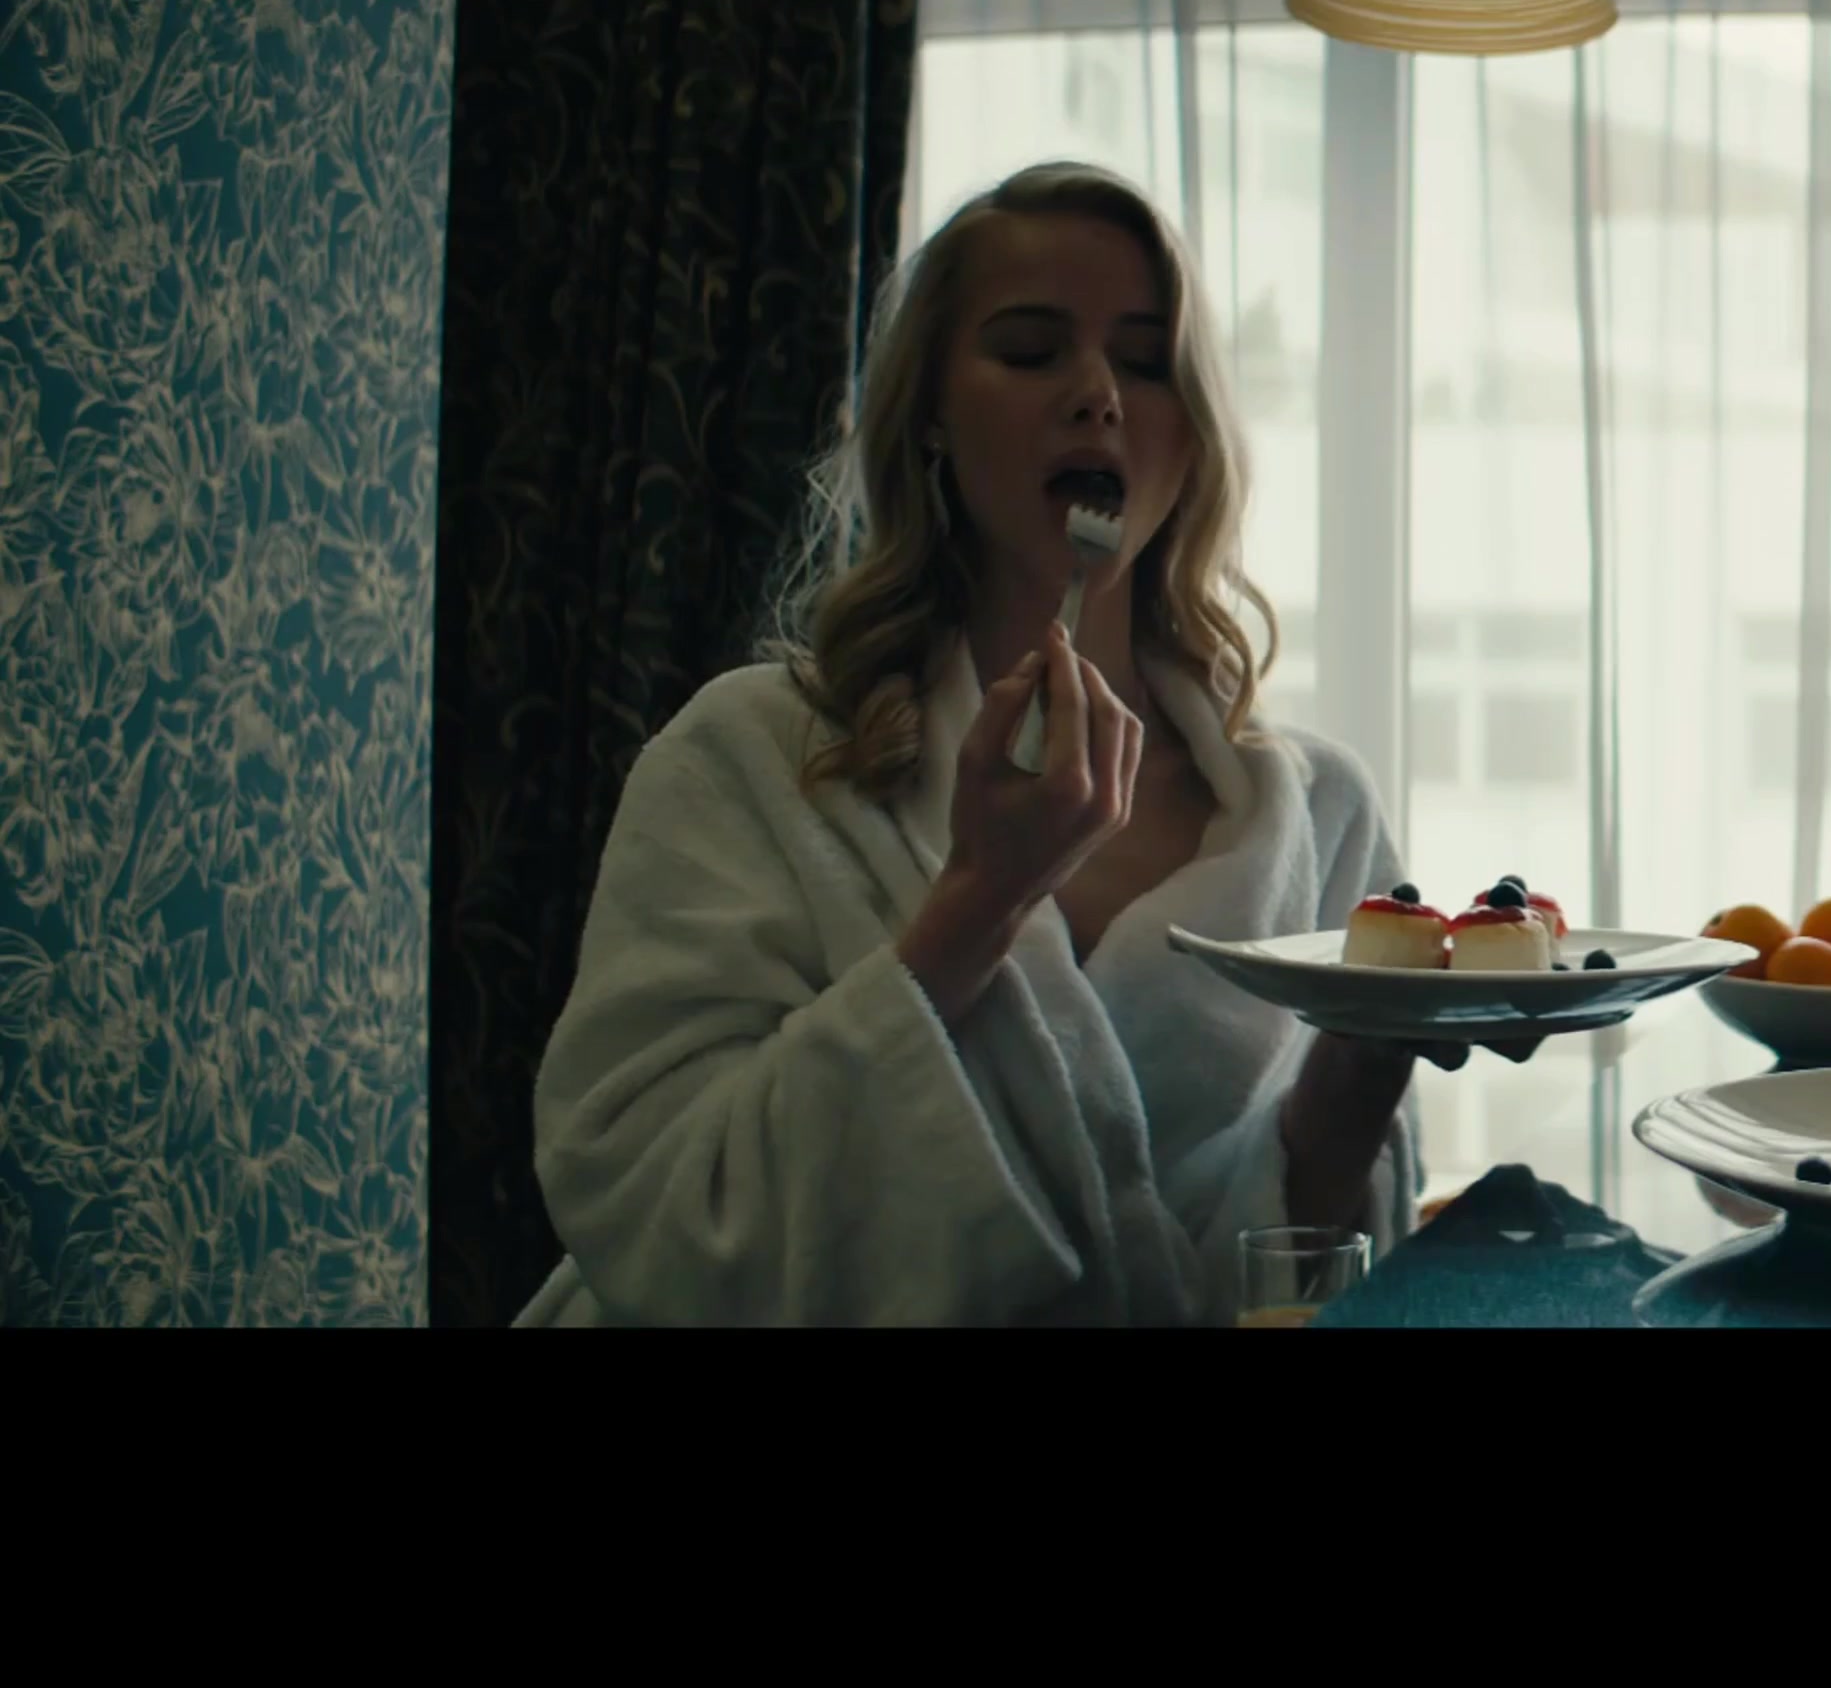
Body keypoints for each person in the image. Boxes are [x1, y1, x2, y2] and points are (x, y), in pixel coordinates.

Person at [519, 162, 1508, 1326]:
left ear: (1191, 437)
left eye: (1146, 362)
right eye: (1032, 351)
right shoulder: (751, 760)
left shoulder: (1322, 816)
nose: (1097, 394)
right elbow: (653, 1209)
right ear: (931, 417)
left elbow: (1318, 1275)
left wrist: (1353, 1089)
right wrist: (979, 900)